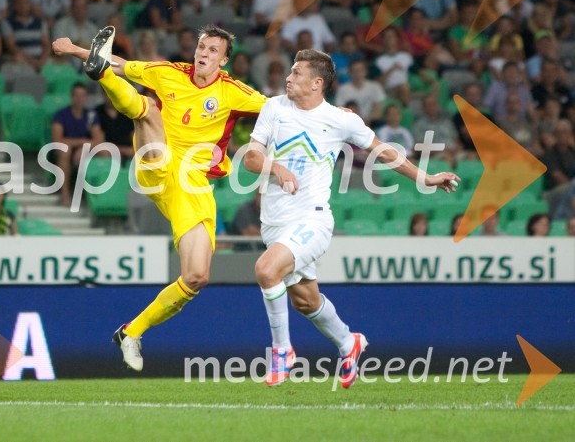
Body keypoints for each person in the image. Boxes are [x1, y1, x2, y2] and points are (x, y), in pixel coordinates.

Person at [52, 24, 268, 372]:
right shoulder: (168, 73)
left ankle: (130, 332)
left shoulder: (234, 92)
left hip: (193, 186)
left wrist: (330, 115)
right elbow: (120, 63)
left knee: (196, 277)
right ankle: (100, 77)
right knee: (149, 110)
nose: (204, 53)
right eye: (201, 46)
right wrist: (76, 49)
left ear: (224, 60)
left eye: (213, 50)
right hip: (156, 164)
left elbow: (279, 109)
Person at [243, 49, 459, 388]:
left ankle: (282, 352)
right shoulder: (274, 107)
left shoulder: (342, 120)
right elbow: (252, 159)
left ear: (317, 83)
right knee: (305, 300)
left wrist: (426, 178)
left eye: (297, 73)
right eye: (290, 71)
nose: (288, 77)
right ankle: (348, 342)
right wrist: (277, 167)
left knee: (266, 269)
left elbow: (384, 151)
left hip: (312, 219)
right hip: (275, 221)